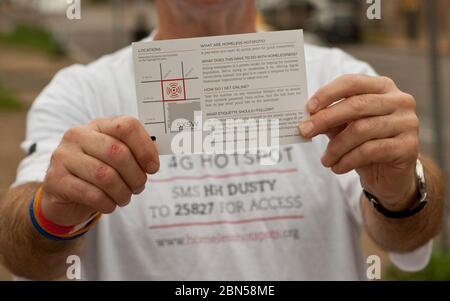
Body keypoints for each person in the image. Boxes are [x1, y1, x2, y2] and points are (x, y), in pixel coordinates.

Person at [0, 0, 444, 280]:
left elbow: (406, 239)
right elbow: (24, 257)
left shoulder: (338, 77)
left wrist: (403, 188)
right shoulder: (82, 90)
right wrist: (53, 212)